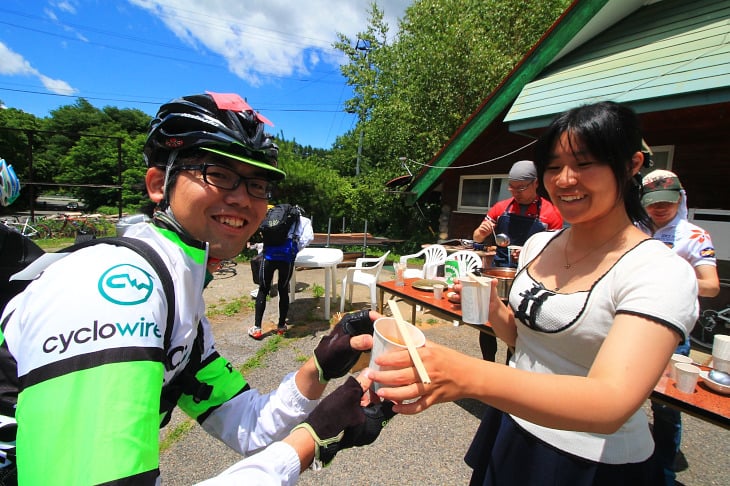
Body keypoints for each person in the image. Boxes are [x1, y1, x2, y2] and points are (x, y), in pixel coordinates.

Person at [0, 92, 394, 485]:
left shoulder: (181, 295)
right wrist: (310, 442)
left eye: (258, 184)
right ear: (158, 184)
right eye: (218, 174)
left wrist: (319, 368)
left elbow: (250, 426)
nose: (242, 198)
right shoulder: (111, 289)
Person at [372, 101, 699, 485]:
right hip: (511, 427)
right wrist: (495, 312)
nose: (564, 180)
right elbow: (527, 343)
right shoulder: (539, 246)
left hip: (592, 462)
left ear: (632, 164)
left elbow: (611, 402)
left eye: (584, 162)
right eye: (553, 166)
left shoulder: (659, 270)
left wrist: (465, 374)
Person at [640, 168, 720, 486]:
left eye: (668, 202)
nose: (660, 208)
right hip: (631, 324)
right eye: (654, 202)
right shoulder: (635, 229)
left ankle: (663, 475)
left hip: (671, 332)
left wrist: (674, 275)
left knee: (666, 407)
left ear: (680, 199)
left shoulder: (694, 235)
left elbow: (712, 286)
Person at [471, 160, 563, 362]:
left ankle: (510, 366)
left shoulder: (551, 213)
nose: (515, 193)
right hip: (499, 272)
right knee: (489, 323)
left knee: (519, 327)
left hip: (531, 277)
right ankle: (488, 363)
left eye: (520, 188)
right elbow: (476, 238)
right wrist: (481, 233)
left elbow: (557, 251)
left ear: (535, 183)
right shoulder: (500, 208)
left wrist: (528, 253)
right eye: (511, 188)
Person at [249, 204, 314, 339]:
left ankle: (257, 328)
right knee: (283, 289)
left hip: (269, 257)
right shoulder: (304, 221)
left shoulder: (276, 216)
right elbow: (308, 237)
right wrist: (295, 249)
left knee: (263, 289)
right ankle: (281, 327)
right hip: (286, 258)